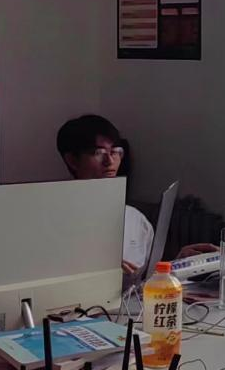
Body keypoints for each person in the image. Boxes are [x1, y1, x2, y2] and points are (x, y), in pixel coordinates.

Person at [55, 115, 214, 275]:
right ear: (72, 161)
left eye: (115, 152)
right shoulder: (55, 221)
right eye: (98, 152)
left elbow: (148, 279)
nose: (109, 161)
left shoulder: (136, 220)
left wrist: (178, 263)